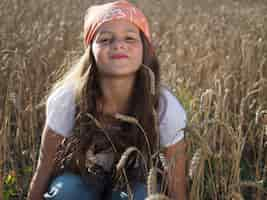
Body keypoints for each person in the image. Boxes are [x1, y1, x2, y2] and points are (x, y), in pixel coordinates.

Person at [27, 0, 187, 199]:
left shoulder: (164, 107)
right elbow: (44, 166)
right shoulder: (67, 100)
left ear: (145, 49)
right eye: (104, 39)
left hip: (137, 183)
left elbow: (176, 180)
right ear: (90, 52)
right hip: (81, 179)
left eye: (129, 38)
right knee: (66, 191)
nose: (118, 44)